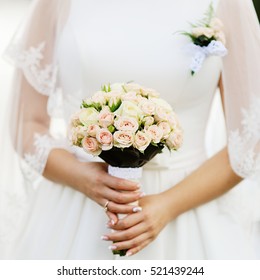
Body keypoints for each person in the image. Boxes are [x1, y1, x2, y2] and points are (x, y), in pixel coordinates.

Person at [0, 0, 259, 259]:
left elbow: (250, 139)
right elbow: (27, 123)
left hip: (190, 208)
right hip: (76, 208)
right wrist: (83, 177)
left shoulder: (228, 3)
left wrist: (168, 205)